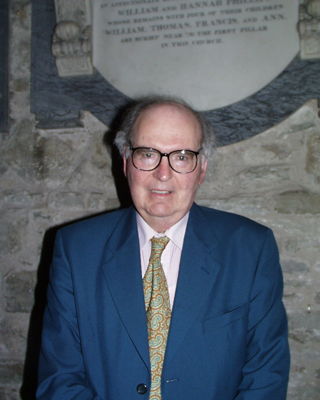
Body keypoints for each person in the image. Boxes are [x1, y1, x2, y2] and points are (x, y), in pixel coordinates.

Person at [37, 96, 290, 399]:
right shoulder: (75, 249)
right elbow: (59, 377)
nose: (163, 173)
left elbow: (265, 375)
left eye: (182, 156)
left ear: (202, 168)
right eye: (147, 154)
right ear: (126, 162)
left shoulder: (250, 248)